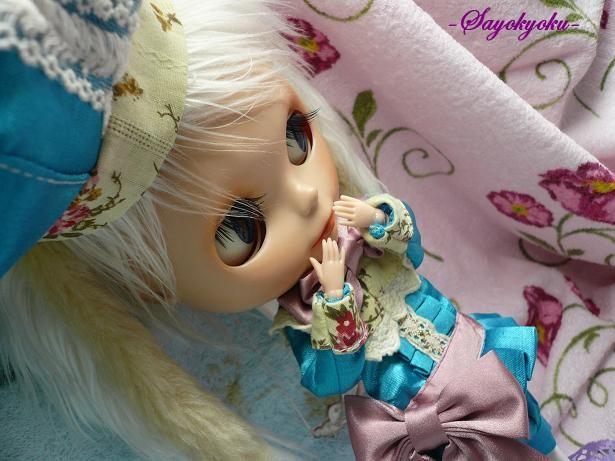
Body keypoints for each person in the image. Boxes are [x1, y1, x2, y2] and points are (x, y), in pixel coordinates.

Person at [0, 0, 567, 459]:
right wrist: (336, 299)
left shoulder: (361, 240)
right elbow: (329, 377)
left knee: (533, 434)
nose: (306, 197)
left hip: (476, 355)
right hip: (424, 421)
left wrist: (378, 218)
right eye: (240, 228)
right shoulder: (303, 315)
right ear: (152, 286)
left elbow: (413, 252)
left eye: (296, 137)